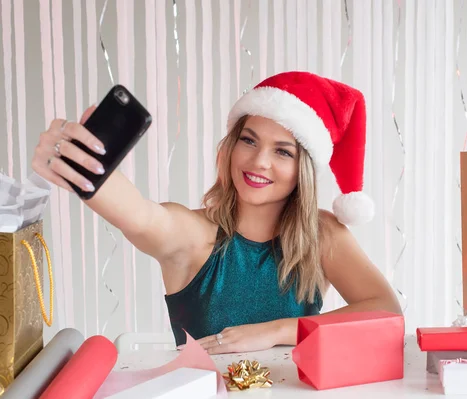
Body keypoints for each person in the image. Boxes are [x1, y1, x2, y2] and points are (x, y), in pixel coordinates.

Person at [32, 71, 401, 354]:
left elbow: (387, 312)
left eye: (283, 152)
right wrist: (82, 168)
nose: (259, 161)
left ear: (303, 169)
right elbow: (139, 215)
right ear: (230, 146)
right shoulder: (192, 235)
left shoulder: (322, 234)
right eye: (249, 140)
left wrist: (276, 331)